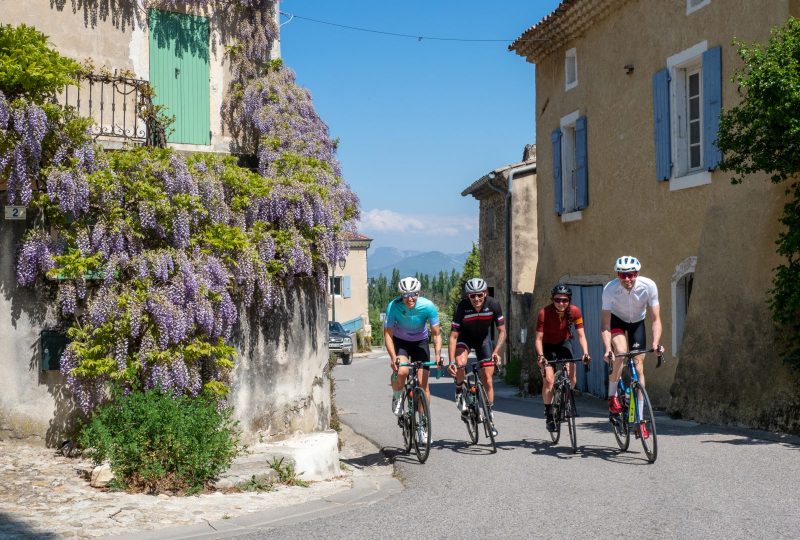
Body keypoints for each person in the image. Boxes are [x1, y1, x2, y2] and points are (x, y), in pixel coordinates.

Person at [601, 255, 663, 440]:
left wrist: (656, 343)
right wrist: (607, 348)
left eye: (631, 274)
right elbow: (605, 324)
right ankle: (612, 397)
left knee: (639, 366)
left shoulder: (649, 286)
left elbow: (656, 319)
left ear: (637, 273)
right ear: (617, 275)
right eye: (623, 275)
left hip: (637, 324)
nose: (627, 279)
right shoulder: (610, 289)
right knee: (620, 352)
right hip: (617, 322)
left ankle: (640, 419)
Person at [448, 277, 506, 437]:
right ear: (468, 296)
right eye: (472, 296)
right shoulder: (463, 307)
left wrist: (496, 352)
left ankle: (489, 415)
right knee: (461, 363)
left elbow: (502, 331)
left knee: (487, 379)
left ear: (485, 293)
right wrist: (451, 361)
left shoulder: (493, 304)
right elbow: (453, 336)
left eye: (480, 295)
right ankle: (459, 390)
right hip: (465, 339)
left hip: (484, 340)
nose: (477, 299)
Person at [535, 284, 591, 432]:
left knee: (572, 377)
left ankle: (565, 402)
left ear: (569, 300)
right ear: (552, 299)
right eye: (557, 300)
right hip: (546, 346)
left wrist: (585, 352)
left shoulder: (575, 311)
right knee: (549, 380)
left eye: (564, 300)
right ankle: (548, 414)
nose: (561, 303)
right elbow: (538, 339)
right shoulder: (544, 313)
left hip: (564, 343)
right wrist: (541, 356)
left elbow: (581, 335)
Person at [385, 276, 443, 417]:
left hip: (420, 343)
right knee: (402, 371)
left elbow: (436, 334)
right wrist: (393, 358)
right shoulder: (393, 306)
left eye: (413, 295)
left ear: (418, 293)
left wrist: (438, 355)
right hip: (401, 342)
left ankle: (423, 422)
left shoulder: (428, 306)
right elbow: (388, 334)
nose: (410, 299)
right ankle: (397, 395)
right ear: (401, 295)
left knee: (424, 384)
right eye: (405, 295)